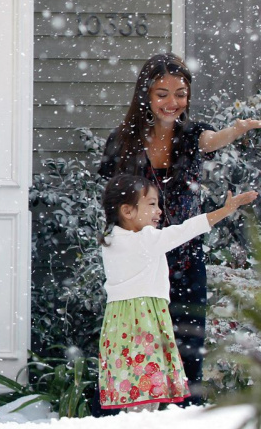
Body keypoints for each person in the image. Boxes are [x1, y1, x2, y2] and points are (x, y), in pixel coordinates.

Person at [99, 53, 261, 403]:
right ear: (146, 94)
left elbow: (212, 140)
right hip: (141, 265)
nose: (172, 102)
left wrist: (236, 130)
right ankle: (136, 420)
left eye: (181, 93)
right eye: (162, 94)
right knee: (140, 355)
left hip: (186, 260)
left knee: (188, 353)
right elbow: (113, 202)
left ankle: (186, 418)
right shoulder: (123, 141)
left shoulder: (191, 135)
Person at [98, 174, 256, 411]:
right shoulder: (147, 240)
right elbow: (185, 230)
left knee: (131, 385)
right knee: (148, 388)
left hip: (117, 322)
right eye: (152, 204)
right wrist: (225, 210)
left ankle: (133, 424)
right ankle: (143, 428)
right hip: (144, 318)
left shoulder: (110, 241)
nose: (159, 211)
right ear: (127, 211)